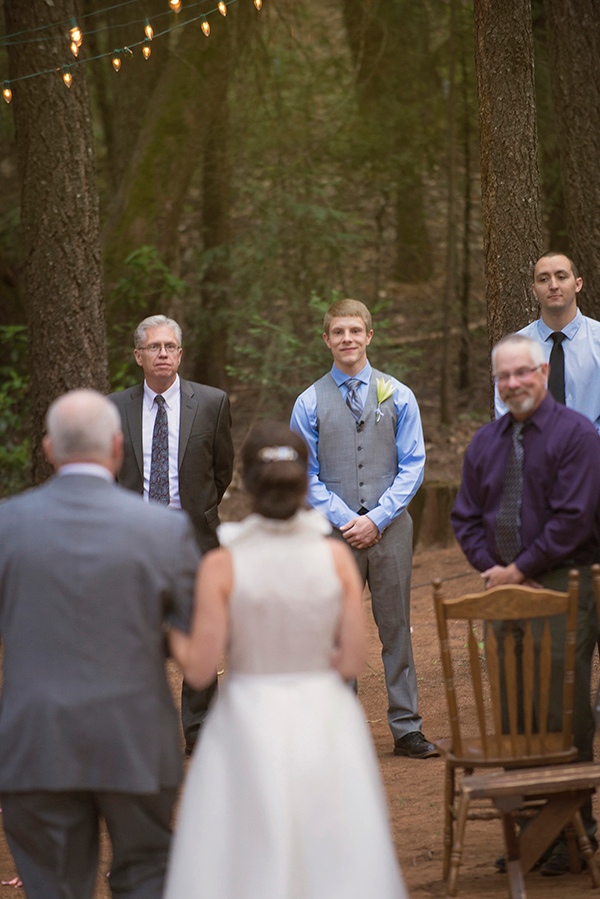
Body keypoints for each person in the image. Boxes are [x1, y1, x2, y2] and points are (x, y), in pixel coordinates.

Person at [164, 421, 408, 899]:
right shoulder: (336, 560)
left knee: (245, 853)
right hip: (324, 717)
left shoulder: (222, 564)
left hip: (247, 721)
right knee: (330, 855)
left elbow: (198, 669)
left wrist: (167, 631)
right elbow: (352, 660)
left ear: (246, 482)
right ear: (304, 481)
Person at [0, 390, 200, 899]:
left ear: (49, 449)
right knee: (147, 876)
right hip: (136, 737)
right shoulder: (165, 529)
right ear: (117, 447)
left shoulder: (8, 526)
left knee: (54, 887)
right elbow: (193, 644)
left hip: (35, 741)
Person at [452, 333, 600, 876]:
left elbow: (573, 518)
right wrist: (496, 571)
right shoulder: (485, 442)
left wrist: (522, 570)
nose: (513, 383)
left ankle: (575, 833)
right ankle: (531, 835)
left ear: (542, 371)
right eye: (503, 376)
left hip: (564, 584)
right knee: (515, 712)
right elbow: (465, 517)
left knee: (564, 713)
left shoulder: (577, 436)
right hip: (503, 594)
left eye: (522, 373)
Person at [290, 298, 436, 759]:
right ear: (326, 339)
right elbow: (304, 473)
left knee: (396, 626)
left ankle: (406, 726)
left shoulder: (399, 394)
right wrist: (345, 519)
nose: (347, 339)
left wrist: (377, 518)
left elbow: (413, 464)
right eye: (339, 332)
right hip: (335, 536)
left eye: (355, 331)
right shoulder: (309, 401)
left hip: (390, 530)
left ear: (369, 335)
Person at [109, 314, 234, 754]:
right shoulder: (114, 408)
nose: (162, 354)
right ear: (138, 356)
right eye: (154, 347)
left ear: (180, 354)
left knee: (199, 634)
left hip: (192, 540)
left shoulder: (213, 403)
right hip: (133, 542)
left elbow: (223, 472)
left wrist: (195, 513)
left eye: (170, 347)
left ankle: (199, 731)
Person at [495, 251, 600, 432]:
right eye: (543, 279)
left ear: (577, 284)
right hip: (531, 456)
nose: (553, 285)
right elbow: (505, 415)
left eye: (561, 277)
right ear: (534, 291)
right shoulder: (516, 348)